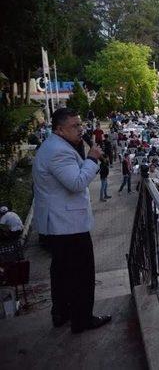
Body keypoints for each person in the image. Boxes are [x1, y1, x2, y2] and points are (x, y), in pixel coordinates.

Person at [32, 108, 111, 333]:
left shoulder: (53, 146)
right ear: (59, 129)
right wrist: (92, 160)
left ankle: (62, 312)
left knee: (62, 271)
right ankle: (82, 319)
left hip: (60, 223)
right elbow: (76, 183)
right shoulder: (59, 151)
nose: (80, 129)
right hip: (67, 224)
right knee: (82, 273)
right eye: (74, 126)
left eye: (80, 125)